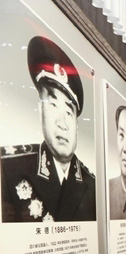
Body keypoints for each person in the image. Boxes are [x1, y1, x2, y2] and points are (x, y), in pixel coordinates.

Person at [1, 36, 95, 222]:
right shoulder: (9, 168)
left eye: (69, 112)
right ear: (40, 110)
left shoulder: (92, 184)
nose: (62, 123)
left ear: (76, 123)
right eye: (53, 105)